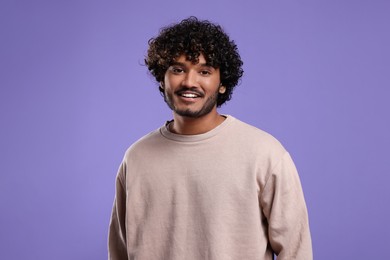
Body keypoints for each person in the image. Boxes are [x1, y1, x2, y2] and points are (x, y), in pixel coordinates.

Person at [108, 17, 312, 260]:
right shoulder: (136, 157)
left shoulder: (265, 154)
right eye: (177, 69)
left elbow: (296, 251)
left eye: (204, 71)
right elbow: (119, 252)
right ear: (162, 79)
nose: (189, 82)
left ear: (222, 83)